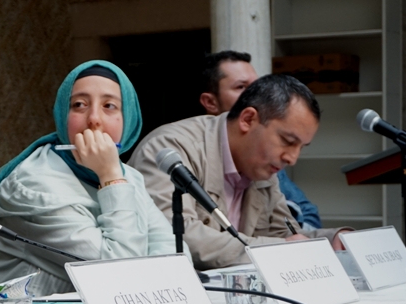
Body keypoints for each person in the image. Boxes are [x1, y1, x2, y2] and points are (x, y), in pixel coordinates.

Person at [0, 61, 177, 296]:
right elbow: (119, 275)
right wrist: (110, 177)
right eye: (79, 105)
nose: (94, 119)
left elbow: (175, 258)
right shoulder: (33, 186)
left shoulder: (129, 176)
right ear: (62, 116)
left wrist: (113, 175)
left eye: (109, 106)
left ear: (128, 118)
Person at [130, 74, 347, 270]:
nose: (292, 158)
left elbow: (283, 235)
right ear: (248, 119)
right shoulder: (171, 148)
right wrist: (278, 250)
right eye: (287, 141)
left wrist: (333, 240)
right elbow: (177, 237)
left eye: (301, 147)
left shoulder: (260, 167)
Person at [199, 50, 322, 229]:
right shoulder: (186, 150)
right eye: (241, 87)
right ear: (210, 102)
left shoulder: (263, 157)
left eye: (256, 86)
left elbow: (307, 215)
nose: (255, 94)